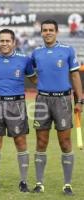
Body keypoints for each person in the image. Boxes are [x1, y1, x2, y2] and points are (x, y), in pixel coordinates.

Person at [31, 19, 83, 196]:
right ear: (41, 32)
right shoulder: (36, 52)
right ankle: (39, 183)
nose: (47, 32)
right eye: (44, 30)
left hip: (62, 101)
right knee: (41, 142)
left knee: (65, 143)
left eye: (50, 30)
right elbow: (30, 74)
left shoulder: (67, 50)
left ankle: (67, 185)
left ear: (57, 31)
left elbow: (75, 76)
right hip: (42, 101)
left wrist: (80, 100)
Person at [0, 29, 36, 192]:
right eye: (2, 41)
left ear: (14, 42)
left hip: (17, 104)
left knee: (20, 143)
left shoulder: (24, 60)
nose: (4, 44)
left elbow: (34, 79)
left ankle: (24, 182)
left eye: (7, 41)